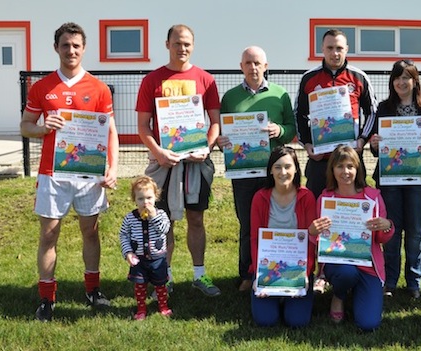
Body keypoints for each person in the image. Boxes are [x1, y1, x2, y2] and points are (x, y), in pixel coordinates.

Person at [20, 22, 119, 322]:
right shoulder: (41, 87)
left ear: (84, 48)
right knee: (49, 235)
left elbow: (111, 131)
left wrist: (112, 167)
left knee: (91, 232)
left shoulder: (98, 88)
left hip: (88, 174)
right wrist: (40, 128)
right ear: (56, 48)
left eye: (76, 45)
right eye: (65, 45)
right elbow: (25, 126)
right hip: (52, 173)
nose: (71, 50)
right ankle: (47, 298)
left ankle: (93, 289)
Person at [136, 24, 221, 297]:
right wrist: (159, 152)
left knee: (196, 219)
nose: (181, 48)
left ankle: (199, 274)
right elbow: (143, 126)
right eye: (176, 43)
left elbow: (215, 122)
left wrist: (206, 148)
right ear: (167, 44)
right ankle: (165, 277)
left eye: (186, 43)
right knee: (163, 221)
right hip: (165, 164)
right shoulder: (152, 80)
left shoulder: (206, 79)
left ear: (192, 45)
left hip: (196, 163)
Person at [218, 46, 296, 291]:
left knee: (275, 221)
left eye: (257, 63)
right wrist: (221, 142)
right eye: (248, 63)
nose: (253, 67)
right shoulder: (230, 97)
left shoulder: (280, 94)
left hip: (275, 172)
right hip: (242, 172)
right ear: (241, 67)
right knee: (247, 223)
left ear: (266, 66)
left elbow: (292, 129)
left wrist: (279, 131)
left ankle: (275, 269)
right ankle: (248, 273)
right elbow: (222, 134)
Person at [369, 60, 421, 299]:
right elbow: (375, 145)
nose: (401, 82)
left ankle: (413, 283)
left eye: (406, 77)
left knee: (415, 231)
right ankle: (390, 281)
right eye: (397, 78)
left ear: (415, 81)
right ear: (392, 82)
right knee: (391, 229)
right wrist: (376, 145)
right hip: (390, 180)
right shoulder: (383, 108)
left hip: (419, 181)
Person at [310, 145, 394, 331]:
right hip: (338, 263)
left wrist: (387, 226)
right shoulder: (325, 199)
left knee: (368, 324)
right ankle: (339, 295)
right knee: (347, 273)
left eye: (350, 166)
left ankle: (358, 290)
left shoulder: (372, 198)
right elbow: (319, 242)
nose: (345, 171)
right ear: (332, 169)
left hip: (368, 266)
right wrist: (312, 232)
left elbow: (380, 239)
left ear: (358, 169)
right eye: (340, 166)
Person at [294, 29, 378, 199]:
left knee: (353, 208)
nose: (335, 53)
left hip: (350, 159)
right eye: (330, 48)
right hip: (320, 160)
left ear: (346, 49)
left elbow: (372, 112)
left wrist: (362, 139)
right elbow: (299, 114)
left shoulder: (359, 77)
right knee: (317, 207)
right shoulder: (309, 78)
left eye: (339, 48)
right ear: (322, 49)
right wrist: (307, 144)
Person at [249, 146, 318, 327]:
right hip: (268, 270)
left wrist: (306, 273)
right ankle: (274, 295)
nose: (283, 172)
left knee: (297, 321)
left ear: (296, 169)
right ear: (271, 170)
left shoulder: (307, 197)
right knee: (265, 320)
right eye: (278, 167)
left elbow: (310, 241)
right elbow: (255, 240)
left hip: (297, 270)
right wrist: (259, 275)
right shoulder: (260, 198)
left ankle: (289, 297)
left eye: (288, 166)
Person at [119, 176, 172, 320]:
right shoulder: (130, 218)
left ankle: (163, 306)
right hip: (139, 259)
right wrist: (128, 252)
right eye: (141, 199)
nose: (145, 202)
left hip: (157, 257)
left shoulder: (161, 215)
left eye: (149, 198)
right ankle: (141, 308)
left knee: (160, 284)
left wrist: (153, 216)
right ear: (134, 200)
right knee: (140, 285)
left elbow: (164, 229)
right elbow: (124, 235)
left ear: (156, 197)